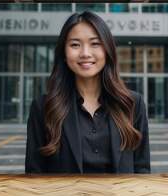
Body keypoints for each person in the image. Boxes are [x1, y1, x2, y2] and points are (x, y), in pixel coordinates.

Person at [25, 11, 150, 174]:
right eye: (75, 45)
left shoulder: (132, 103)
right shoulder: (43, 107)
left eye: (95, 44)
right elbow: (34, 173)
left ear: (107, 50)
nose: (85, 53)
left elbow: (142, 169)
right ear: (63, 52)